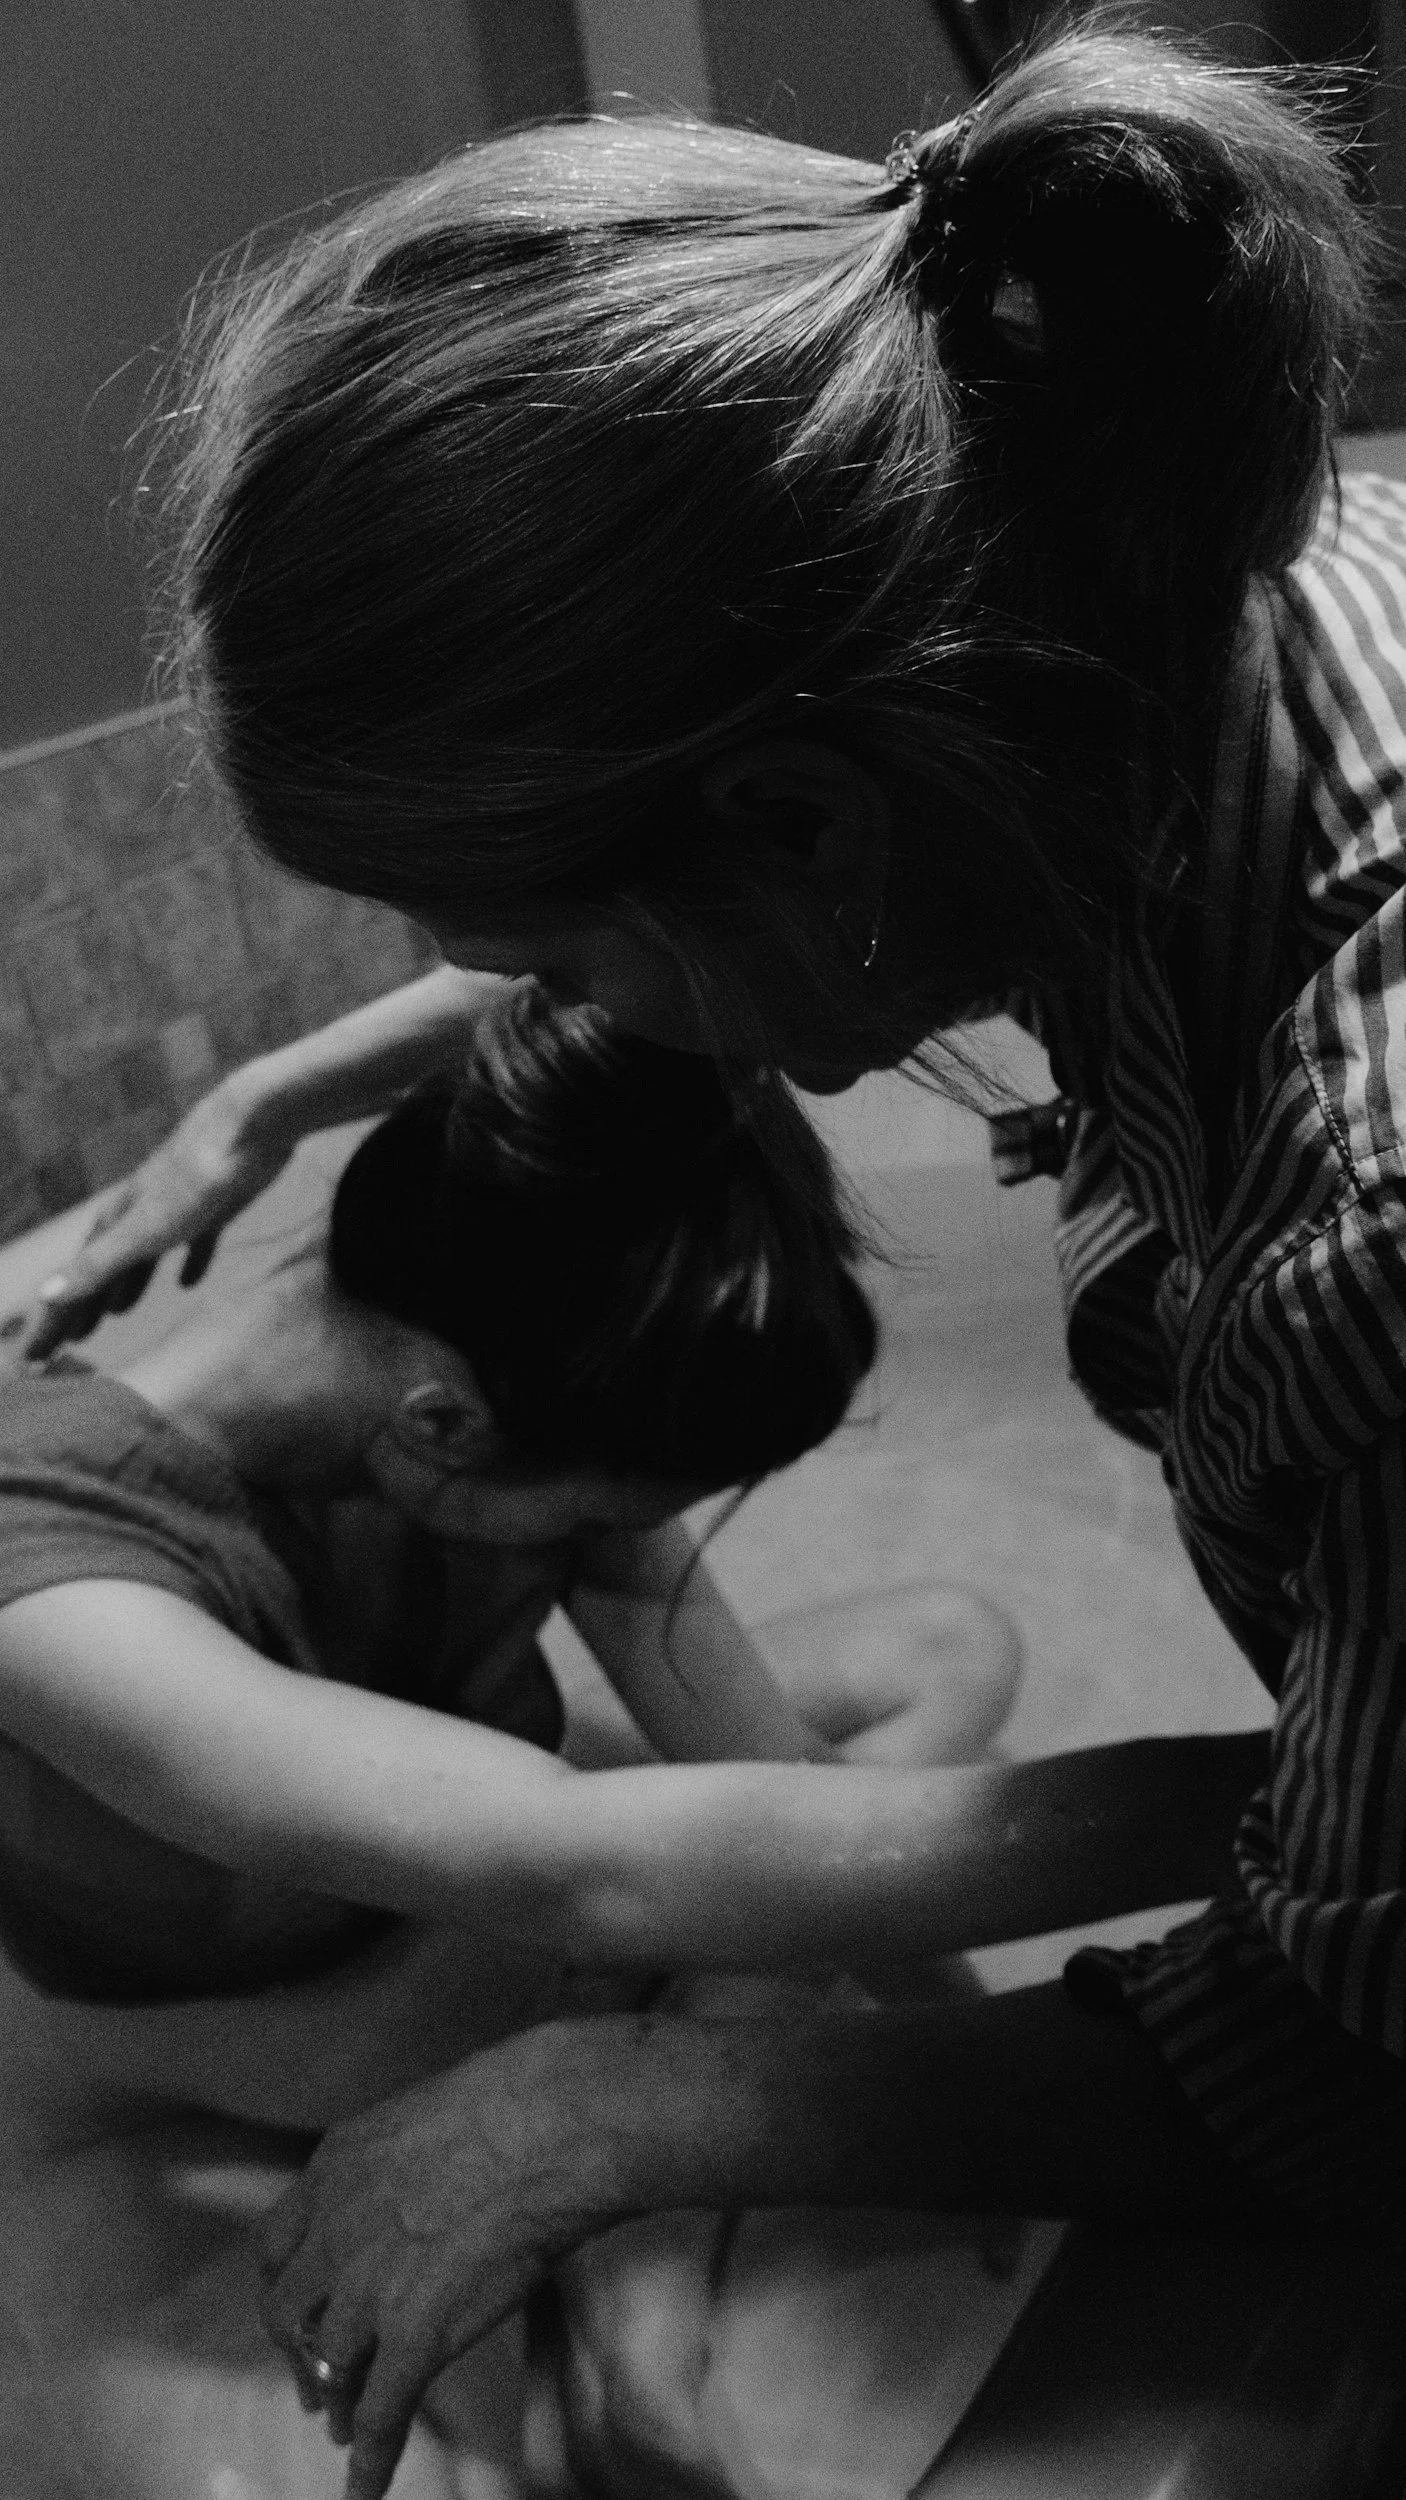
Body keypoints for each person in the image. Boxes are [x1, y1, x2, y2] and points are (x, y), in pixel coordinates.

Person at [17, 15, 1406, 2494]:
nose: (566, 1025)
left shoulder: (1360, 1187)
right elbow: (593, 1852)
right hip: (217, 2035)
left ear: (803, 829)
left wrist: (643, 2102)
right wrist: (281, 1084)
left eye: (566, 952)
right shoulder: (1165, 606)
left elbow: (1342, 2042)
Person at [0, 977, 1026, 2497]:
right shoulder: (54, 1572)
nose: (630, 1543)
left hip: (512, 1930)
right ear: (438, 1432)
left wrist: (972, 2051)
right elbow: (593, 1866)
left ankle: (637, 2295)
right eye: (607, 1515)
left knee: (946, 1649)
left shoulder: (504, 1339)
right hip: (231, 2071)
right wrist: (1272, 1811)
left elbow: (760, 1783)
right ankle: (622, 2224)